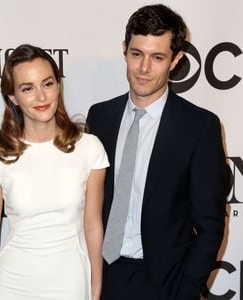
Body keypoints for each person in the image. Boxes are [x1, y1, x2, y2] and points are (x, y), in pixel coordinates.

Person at [87, 4, 230, 300]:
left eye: (157, 57)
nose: (143, 68)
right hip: (102, 277)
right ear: (125, 49)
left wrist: (186, 291)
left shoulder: (199, 127)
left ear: (176, 60)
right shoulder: (100, 117)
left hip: (166, 285)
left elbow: (210, 226)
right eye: (137, 54)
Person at [0, 44, 109, 300]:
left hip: (70, 281)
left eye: (47, 84)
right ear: (13, 96)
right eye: (27, 88)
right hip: (11, 284)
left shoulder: (89, 149)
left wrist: (96, 287)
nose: (41, 96)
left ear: (58, 86)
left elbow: (92, 226)